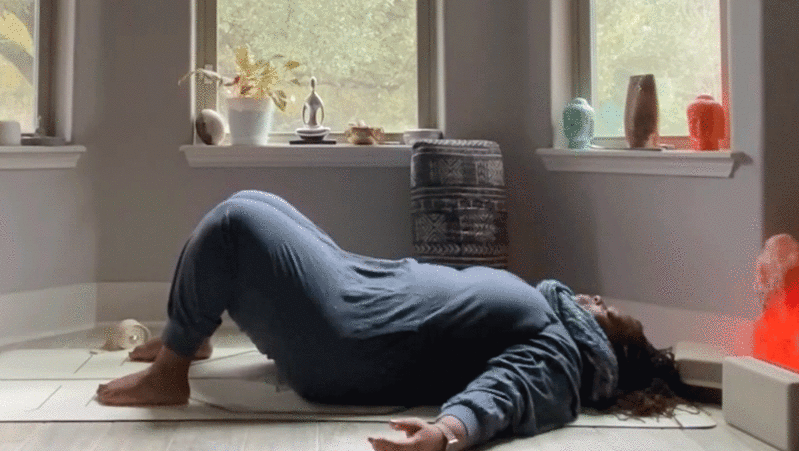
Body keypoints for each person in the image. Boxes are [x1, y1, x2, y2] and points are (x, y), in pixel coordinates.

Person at [96, 190, 689, 451]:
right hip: (356, 287)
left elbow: (505, 392)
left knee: (235, 225)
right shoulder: (552, 322)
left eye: (607, 311)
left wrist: (449, 432)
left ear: (604, 340)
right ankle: (190, 337)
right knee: (254, 201)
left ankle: (170, 374)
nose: (595, 299)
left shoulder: (562, 355)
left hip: (349, 338)